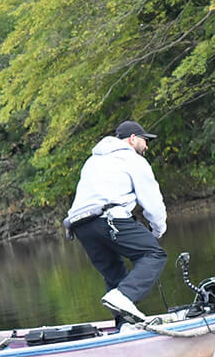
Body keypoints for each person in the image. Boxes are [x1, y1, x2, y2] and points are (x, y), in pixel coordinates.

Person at [65, 120, 168, 327]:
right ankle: (124, 296)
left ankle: (125, 327)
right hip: (108, 217)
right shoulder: (132, 159)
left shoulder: (93, 161)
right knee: (154, 254)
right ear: (133, 139)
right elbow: (151, 199)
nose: (146, 146)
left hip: (79, 225)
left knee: (115, 274)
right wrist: (158, 229)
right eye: (145, 141)